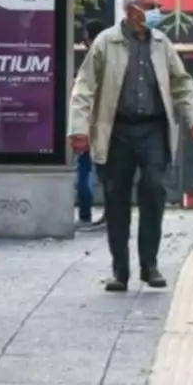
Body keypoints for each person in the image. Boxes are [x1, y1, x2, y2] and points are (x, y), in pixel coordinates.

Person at [68, 0, 193, 292]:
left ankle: (150, 265)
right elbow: (84, 88)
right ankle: (120, 270)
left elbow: (181, 83)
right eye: (152, 6)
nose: (158, 11)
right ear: (132, 11)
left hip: (153, 130)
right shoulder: (106, 43)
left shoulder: (162, 43)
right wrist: (78, 129)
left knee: (154, 190)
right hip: (117, 130)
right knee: (116, 199)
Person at [75, 19, 108, 230]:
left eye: (86, 38)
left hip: (91, 123)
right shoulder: (111, 57)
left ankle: (86, 215)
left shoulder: (93, 59)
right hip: (106, 124)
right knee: (107, 172)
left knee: (84, 169)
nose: (85, 42)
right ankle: (109, 215)